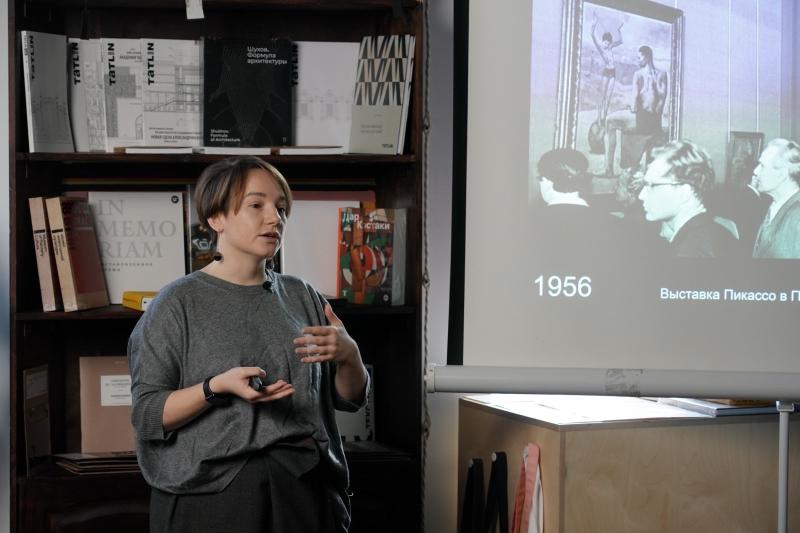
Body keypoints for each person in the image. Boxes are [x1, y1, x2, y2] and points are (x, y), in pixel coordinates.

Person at [128, 156, 369, 533]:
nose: (275, 218)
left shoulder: (301, 294)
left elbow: (348, 398)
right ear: (216, 218)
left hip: (304, 488)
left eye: (281, 208)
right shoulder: (176, 303)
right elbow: (147, 416)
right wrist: (215, 388)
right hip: (211, 498)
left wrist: (349, 354)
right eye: (256, 205)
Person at [638, 140, 737, 257]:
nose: (641, 195)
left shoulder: (693, 251)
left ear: (684, 193)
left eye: (651, 186)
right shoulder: (716, 233)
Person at [604, 45, 668, 177]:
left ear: (647, 57)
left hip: (641, 121)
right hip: (655, 122)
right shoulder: (662, 74)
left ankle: (608, 170)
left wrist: (632, 108)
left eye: (639, 58)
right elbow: (661, 100)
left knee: (609, 121)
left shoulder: (638, 74)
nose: (637, 60)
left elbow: (634, 101)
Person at [752, 138, 800, 258]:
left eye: (762, 166)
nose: (755, 171)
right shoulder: (774, 205)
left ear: (782, 174)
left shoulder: (797, 216)